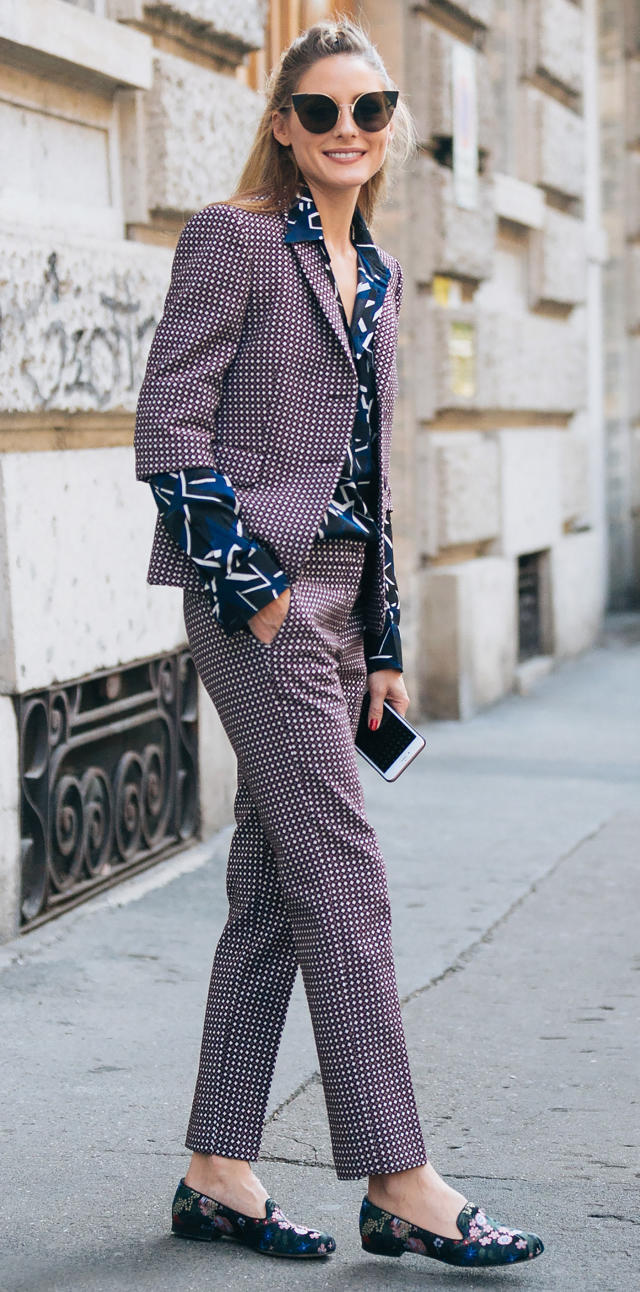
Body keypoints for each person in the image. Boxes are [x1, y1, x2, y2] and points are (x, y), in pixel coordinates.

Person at [134, 17, 544, 1270]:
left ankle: (216, 1167)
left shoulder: (379, 272)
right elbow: (167, 429)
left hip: (338, 606)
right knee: (345, 873)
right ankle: (398, 1173)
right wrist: (254, 588)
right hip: (255, 603)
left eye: (368, 109)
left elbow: (374, 469)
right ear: (281, 126)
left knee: (273, 889)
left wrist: (381, 638)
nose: (348, 131)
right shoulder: (231, 239)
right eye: (321, 111)